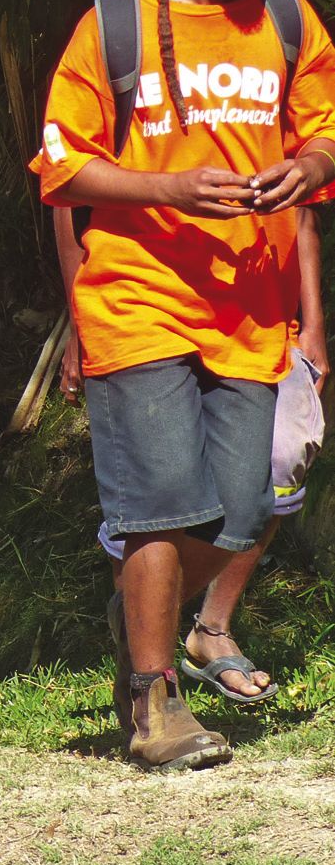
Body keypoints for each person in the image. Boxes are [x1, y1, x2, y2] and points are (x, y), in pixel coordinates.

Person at [31, 0, 335, 770]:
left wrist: (307, 166)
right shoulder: (112, 23)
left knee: (242, 507)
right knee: (161, 501)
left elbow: (323, 130)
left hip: (249, 310)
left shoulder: (287, 17)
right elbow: (60, 166)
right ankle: (154, 702)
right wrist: (165, 187)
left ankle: (152, 615)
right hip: (138, 298)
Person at [56, 204, 326, 707]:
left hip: (258, 320)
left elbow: (301, 209)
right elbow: (70, 196)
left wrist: (312, 324)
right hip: (145, 312)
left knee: (268, 479)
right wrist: (79, 322)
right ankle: (153, 689)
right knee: (159, 493)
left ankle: (181, 626)